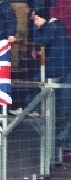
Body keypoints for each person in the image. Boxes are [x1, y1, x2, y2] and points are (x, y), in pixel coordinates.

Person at [30, 9, 71, 147]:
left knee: (38, 81)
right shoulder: (57, 26)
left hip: (58, 66)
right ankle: (61, 139)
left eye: (36, 20)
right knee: (63, 104)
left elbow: (42, 40)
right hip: (64, 67)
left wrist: (38, 30)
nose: (35, 23)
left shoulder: (50, 27)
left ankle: (32, 107)